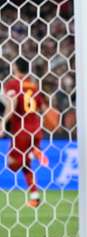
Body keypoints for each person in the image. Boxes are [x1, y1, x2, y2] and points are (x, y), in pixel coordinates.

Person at [2, 59, 48, 208]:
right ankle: (35, 197)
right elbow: (40, 107)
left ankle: (30, 153)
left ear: (15, 67)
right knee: (26, 166)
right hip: (36, 129)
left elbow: (12, 103)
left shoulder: (13, 84)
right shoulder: (33, 86)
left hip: (22, 131)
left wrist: (3, 122)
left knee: (11, 164)